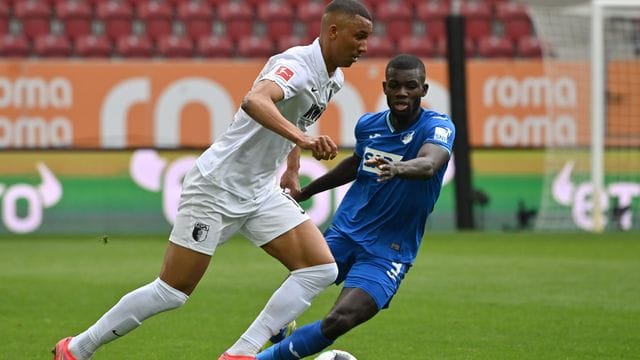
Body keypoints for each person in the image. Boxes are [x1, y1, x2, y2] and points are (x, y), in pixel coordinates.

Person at [52, 1, 373, 359]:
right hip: (216, 187)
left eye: (367, 39)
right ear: (332, 32)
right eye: (358, 37)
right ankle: (77, 348)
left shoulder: (334, 79)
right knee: (172, 291)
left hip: (260, 191)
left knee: (320, 269)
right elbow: (255, 101)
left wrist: (293, 167)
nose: (364, 47)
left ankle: (241, 353)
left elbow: (298, 118)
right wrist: (302, 141)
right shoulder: (295, 66)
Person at [257, 54, 456, 360]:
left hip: (389, 250)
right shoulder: (369, 126)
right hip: (347, 232)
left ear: (423, 90)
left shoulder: (437, 127)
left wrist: (399, 169)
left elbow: (430, 163)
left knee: (339, 320)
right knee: (296, 284)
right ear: (385, 88)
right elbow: (355, 164)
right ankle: (278, 331)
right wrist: (306, 191)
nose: (402, 92)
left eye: (411, 86)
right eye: (395, 86)